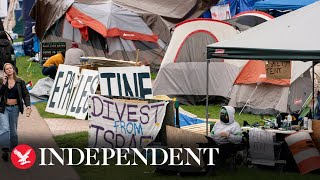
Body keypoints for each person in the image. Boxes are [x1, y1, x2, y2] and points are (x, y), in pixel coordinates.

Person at [0, 63, 31, 161]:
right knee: (5, 128)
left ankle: (13, 150)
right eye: (7, 69)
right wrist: (4, 83)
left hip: (15, 108)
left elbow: (26, 94)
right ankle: (5, 149)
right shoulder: (2, 81)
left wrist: (28, 106)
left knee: (13, 132)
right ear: (4, 72)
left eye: (10, 68)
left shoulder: (20, 81)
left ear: (13, 69)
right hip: (3, 108)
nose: (9, 70)